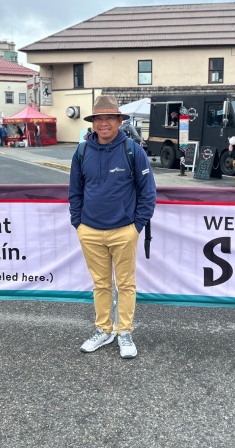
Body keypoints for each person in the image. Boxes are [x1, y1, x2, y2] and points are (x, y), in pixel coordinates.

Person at [69, 95, 156, 359]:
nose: (103, 123)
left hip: (124, 230)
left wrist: (136, 226)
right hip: (90, 231)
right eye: (98, 118)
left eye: (109, 118)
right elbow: (75, 191)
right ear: (93, 122)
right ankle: (103, 329)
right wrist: (78, 223)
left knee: (126, 284)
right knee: (101, 284)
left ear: (119, 121)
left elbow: (148, 192)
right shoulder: (82, 151)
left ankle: (124, 332)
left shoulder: (133, 150)